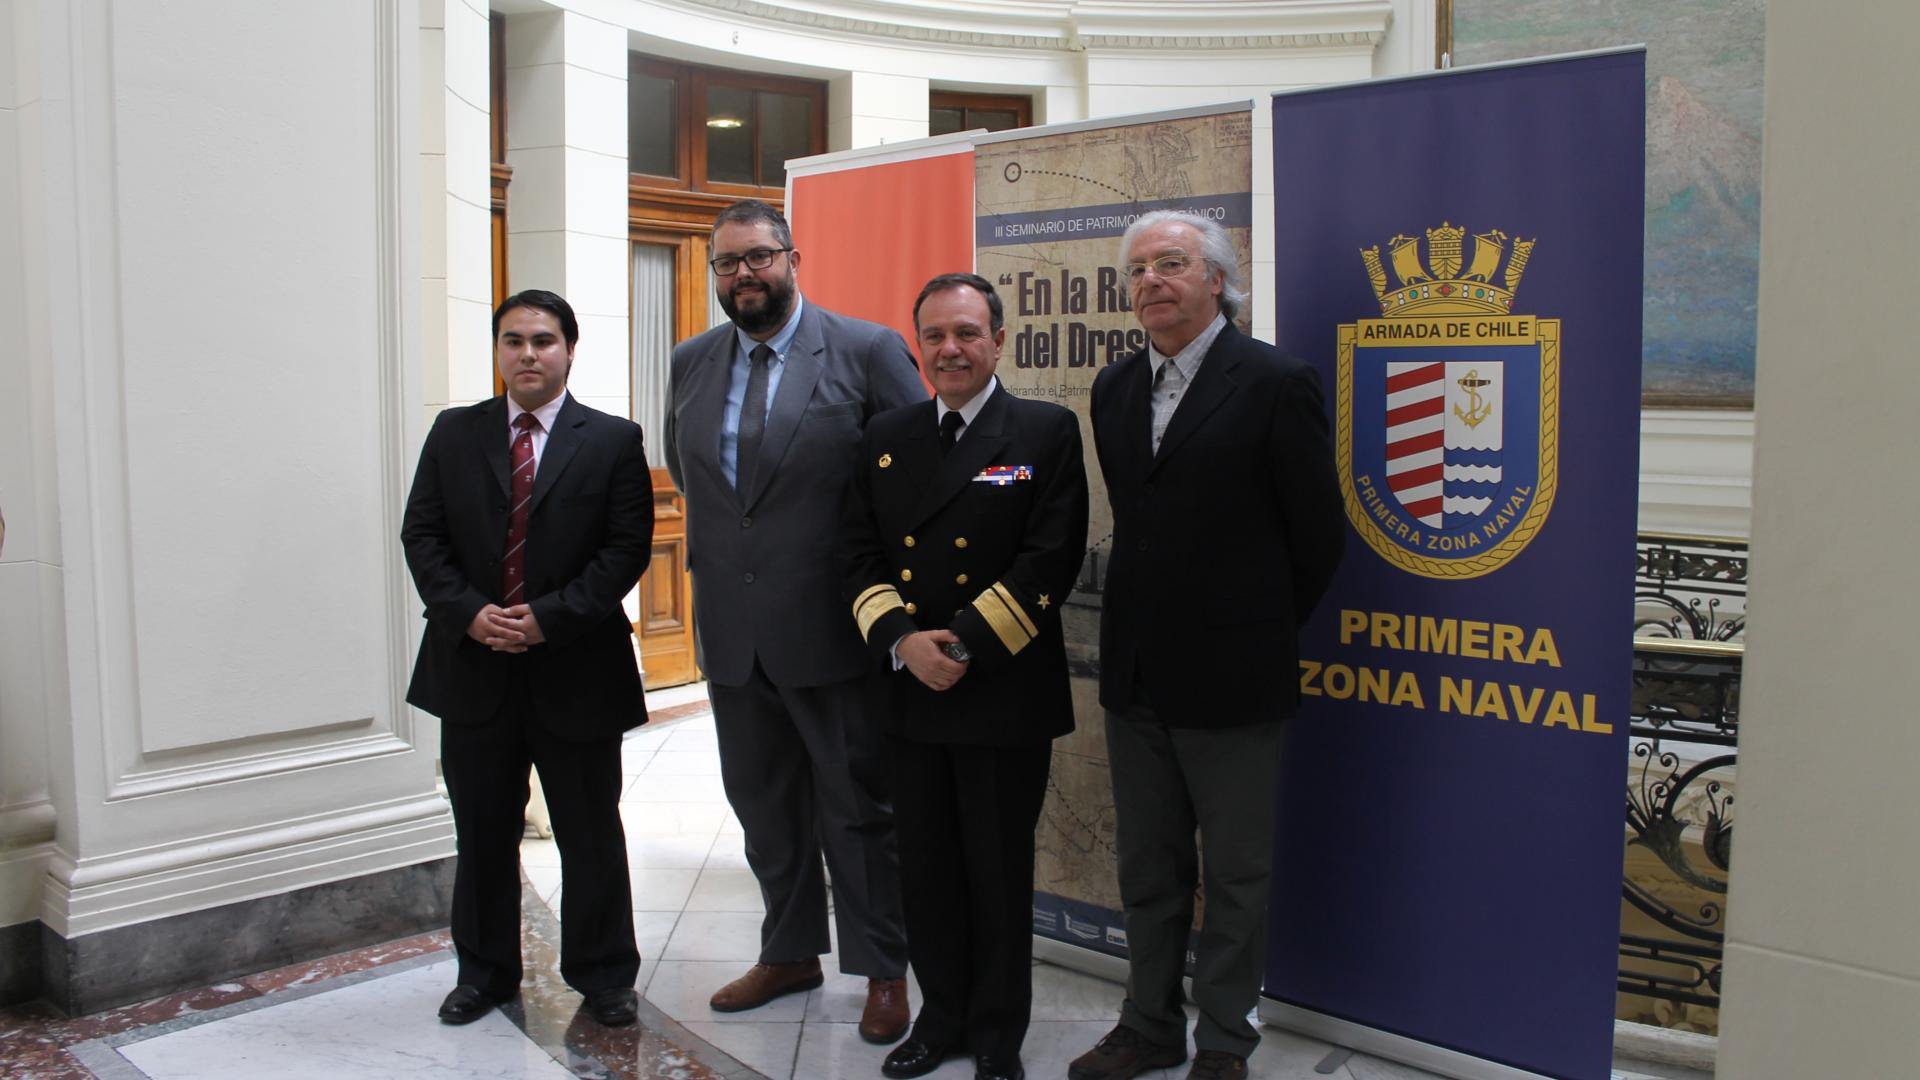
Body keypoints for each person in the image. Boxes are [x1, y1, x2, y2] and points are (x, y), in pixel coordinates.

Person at [1070, 212, 1345, 1080]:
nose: (1151, 280)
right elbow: (1140, 526)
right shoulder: (1114, 389)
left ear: (1216, 280)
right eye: (1139, 269)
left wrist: (1251, 629)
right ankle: (1147, 1024)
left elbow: (1318, 539)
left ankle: (1224, 1040)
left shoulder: (1275, 382)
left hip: (1235, 679)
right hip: (1137, 677)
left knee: (1234, 877)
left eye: (1172, 263)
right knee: (1148, 871)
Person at [664, 199, 923, 1042]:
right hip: (735, 634)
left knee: (856, 811)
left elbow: (912, 479)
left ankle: (885, 969)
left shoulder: (865, 349)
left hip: (835, 630)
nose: (745, 274)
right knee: (763, 808)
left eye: (760, 257)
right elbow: (699, 479)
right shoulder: (692, 361)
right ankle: (789, 951)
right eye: (729, 262)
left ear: (792, 259)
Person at [844, 274, 1089, 1080]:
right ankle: (939, 1019)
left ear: (998, 340)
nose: (951, 349)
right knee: (928, 871)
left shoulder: (1044, 432)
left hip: (1000, 693)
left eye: (967, 333)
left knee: (995, 873)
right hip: (910, 689)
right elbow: (857, 555)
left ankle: (995, 1036)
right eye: (936, 336)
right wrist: (904, 642)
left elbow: (1050, 558)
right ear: (918, 346)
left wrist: (963, 645)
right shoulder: (886, 435)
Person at [401, 289, 652, 1028]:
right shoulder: (454, 433)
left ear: (570, 350)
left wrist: (546, 620)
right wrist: (469, 613)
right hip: (473, 669)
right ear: (499, 351)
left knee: (590, 833)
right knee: (480, 834)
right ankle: (483, 974)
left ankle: (605, 975)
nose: (528, 354)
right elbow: (423, 536)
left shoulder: (611, 439)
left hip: (575, 670)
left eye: (543, 341)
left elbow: (624, 552)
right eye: (513, 341)